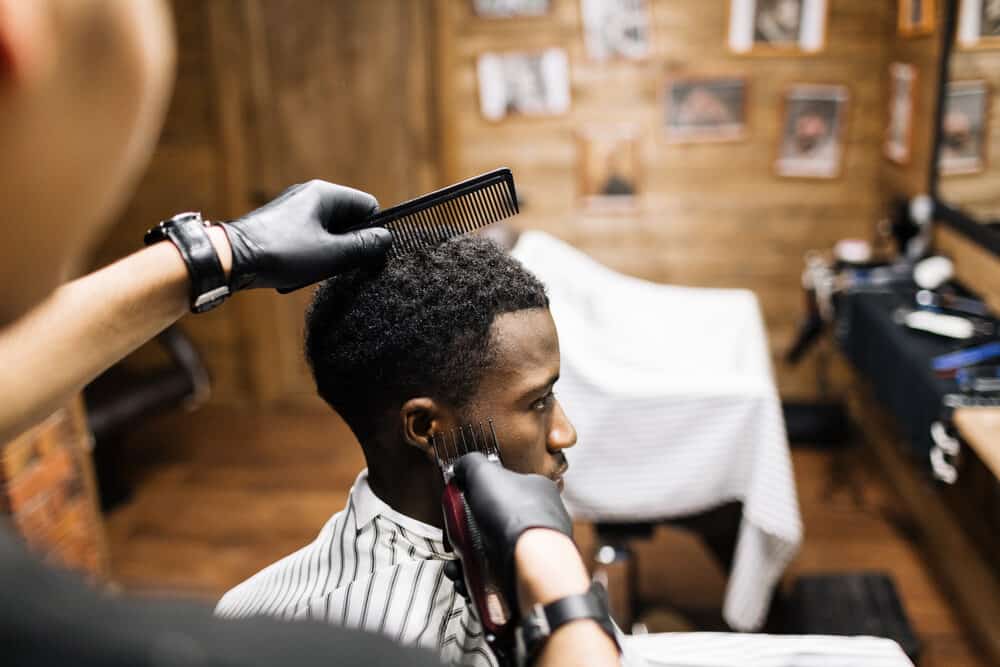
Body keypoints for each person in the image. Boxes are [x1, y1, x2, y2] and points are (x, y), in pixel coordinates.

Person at [0, 1, 618, 666]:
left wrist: (219, 252)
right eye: (537, 400)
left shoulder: (257, 607)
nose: (565, 431)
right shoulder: (371, 649)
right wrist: (564, 591)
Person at [216, 237, 623, 667]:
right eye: (537, 402)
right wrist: (559, 576)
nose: (564, 434)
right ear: (426, 428)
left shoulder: (238, 609)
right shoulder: (424, 646)